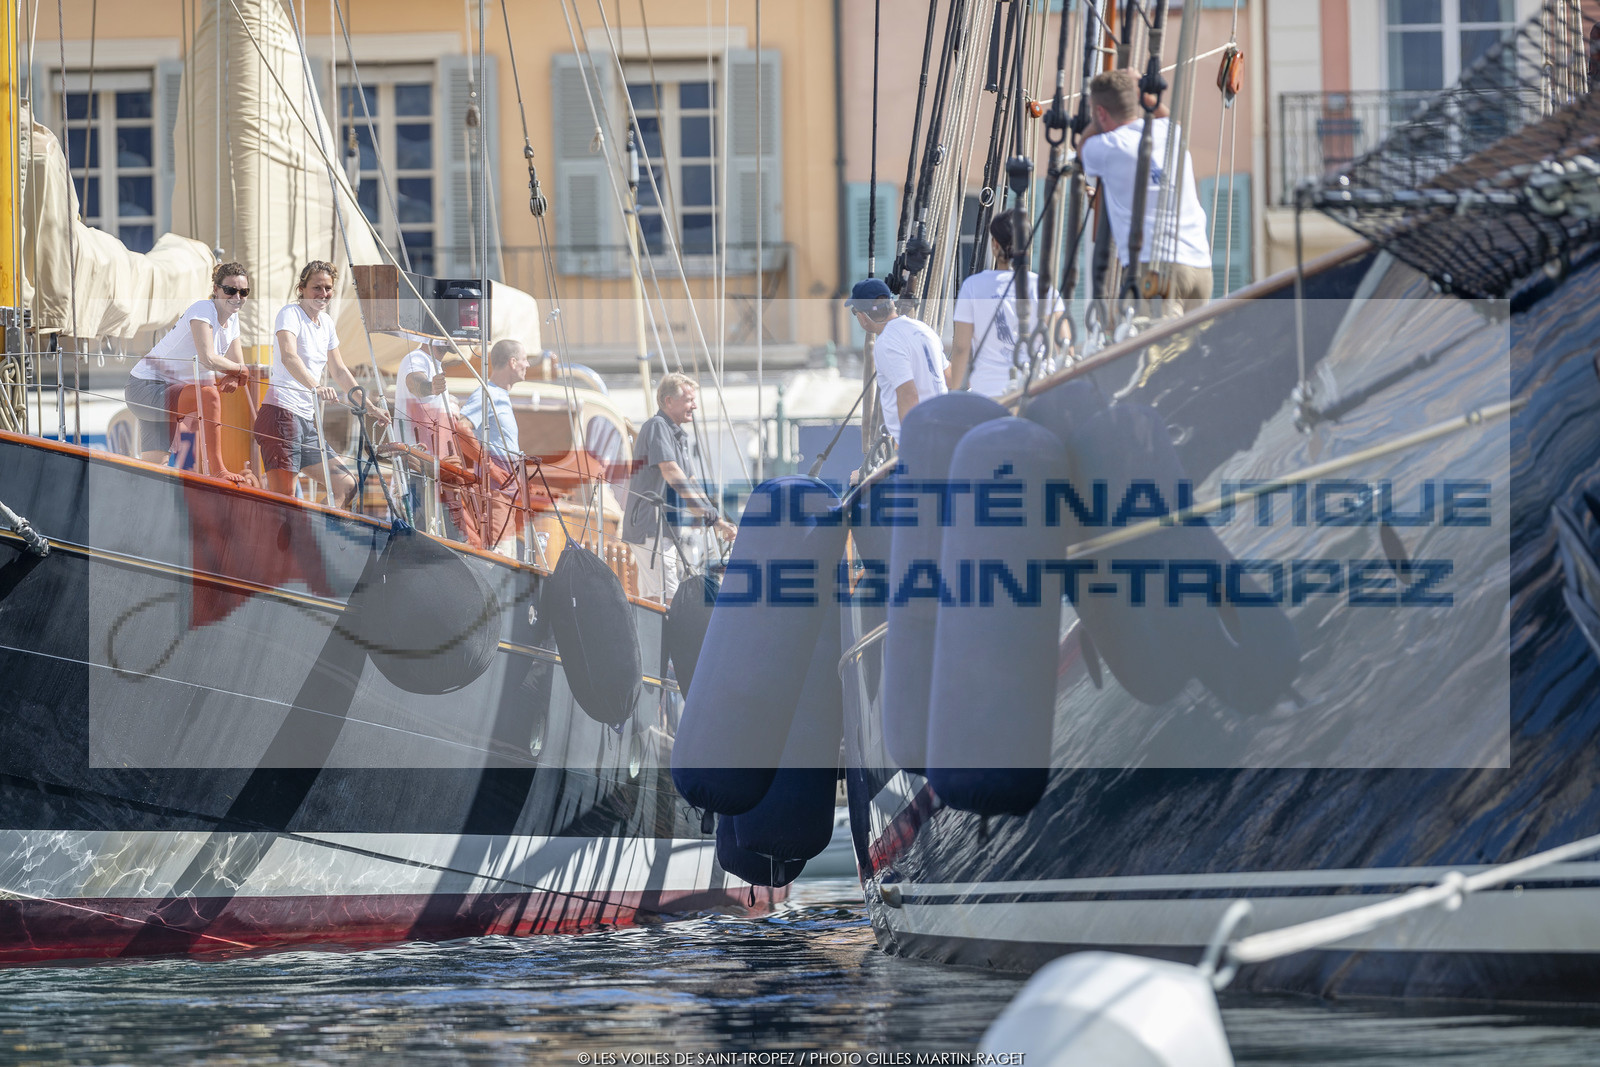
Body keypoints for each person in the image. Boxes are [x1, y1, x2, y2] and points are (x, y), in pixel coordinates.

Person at [1079, 68, 1214, 317]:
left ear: (1100, 112)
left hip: (1156, 269)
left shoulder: (1107, 147)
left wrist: (1094, 123)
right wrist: (1144, 93)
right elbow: (1171, 119)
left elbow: (1082, 148)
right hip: (1200, 269)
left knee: (1152, 352)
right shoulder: (1169, 132)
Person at [254, 260, 389, 504]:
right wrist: (315, 386)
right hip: (280, 415)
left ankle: (314, 536)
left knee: (346, 486)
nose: (323, 294)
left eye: (328, 288)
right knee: (283, 499)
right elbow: (288, 356)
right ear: (302, 289)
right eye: (316, 287)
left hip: (306, 422)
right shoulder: (290, 314)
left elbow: (339, 370)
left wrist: (371, 408)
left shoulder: (326, 323)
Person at [124, 261, 260, 475]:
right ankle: (218, 470)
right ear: (215, 290)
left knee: (154, 468)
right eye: (230, 290)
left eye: (243, 292)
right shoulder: (202, 310)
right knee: (210, 396)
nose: (237, 297)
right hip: (144, 388)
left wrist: (236, 373)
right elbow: (208, 358)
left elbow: (237, 365)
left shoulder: (233, 321)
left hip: (169, 391)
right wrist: (239, 371)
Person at [621, 372, 735, 603]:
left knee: (656, 596)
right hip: (651, 528)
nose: (694, 405)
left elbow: (691, 481)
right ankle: (666, 639)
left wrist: (717, 520)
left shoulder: (678, 436)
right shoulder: (657, 426)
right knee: (668, 597)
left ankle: (654, 638)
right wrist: (708, 516)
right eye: (689, 400)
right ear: (668, 401)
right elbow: (671, 472)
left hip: (663, 531)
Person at [949, 210, 1067, 397]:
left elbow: (961, 347)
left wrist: (954, 391)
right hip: (1038, 388)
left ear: (994, 244)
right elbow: (1063, 342)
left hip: (989, 392)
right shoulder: (1043, 287)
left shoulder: (972, 287)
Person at [846, 278, 949, 445]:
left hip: (920, 443)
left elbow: (908, 394)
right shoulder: (923, 329)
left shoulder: (886, 343)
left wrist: (907, 448)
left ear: (863, 316)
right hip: (943, 430)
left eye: (855, 312)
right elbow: (949, 376)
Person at [460, 339, 531, 558]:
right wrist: (489, 465)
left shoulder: (499, 396)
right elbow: (461, 427)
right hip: (496, 491)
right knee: (498, 558)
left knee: (507, 557)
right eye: (524, 359)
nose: (527, 365)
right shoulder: (488, 394)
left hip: (506, 492)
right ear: (512, 362)